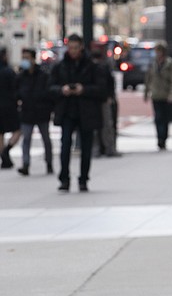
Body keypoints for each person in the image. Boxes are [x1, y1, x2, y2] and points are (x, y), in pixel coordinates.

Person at [48, 34, 106, 192]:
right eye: (70, 48)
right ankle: (64, 178)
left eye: (75, 48)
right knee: (65, 145)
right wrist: (62, 89)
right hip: (67, 111)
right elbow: (50, 87)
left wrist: (83, 89)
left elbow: (102, 89)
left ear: (81, 47)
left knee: (86, 148)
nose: (72, 51)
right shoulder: (60, 66)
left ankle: (83, 179)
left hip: (86, 112)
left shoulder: (92, 67)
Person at [16, 47, 54, 176]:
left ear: (33, 59)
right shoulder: (21, 76)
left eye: (27, 58)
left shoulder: (43, 75)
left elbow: (48, 92)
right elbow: (17, 93)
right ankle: (25, 164)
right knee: (26, 139)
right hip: (27, 111)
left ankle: (49, 163)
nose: (25, 61)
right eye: (23, 58)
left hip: (41, 111)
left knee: (46, 139)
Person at [144, 42, 172, 151]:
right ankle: (160, 139)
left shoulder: (169, 63)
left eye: (159, 51)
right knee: (158, 117)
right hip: (156, 94)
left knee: (165, 118)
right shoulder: (153, 63)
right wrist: (146, 92)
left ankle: (163, 138)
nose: (157, 53)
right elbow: (148, 78)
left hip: (166, 94)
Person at [91, 49, 120, 157]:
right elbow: (111, 82)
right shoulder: (103, 67)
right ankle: (108, 148)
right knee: (107, 125)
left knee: (101, 125)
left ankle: (100, 149)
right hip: (101, 98)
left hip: (98, 99)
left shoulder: (95, 67)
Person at [0, 47, 21, 169]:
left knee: (0, 133)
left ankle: (4, 157)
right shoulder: (9, 71)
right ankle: (6, 151)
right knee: (17, 130)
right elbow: (15, 87)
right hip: (9, 105)